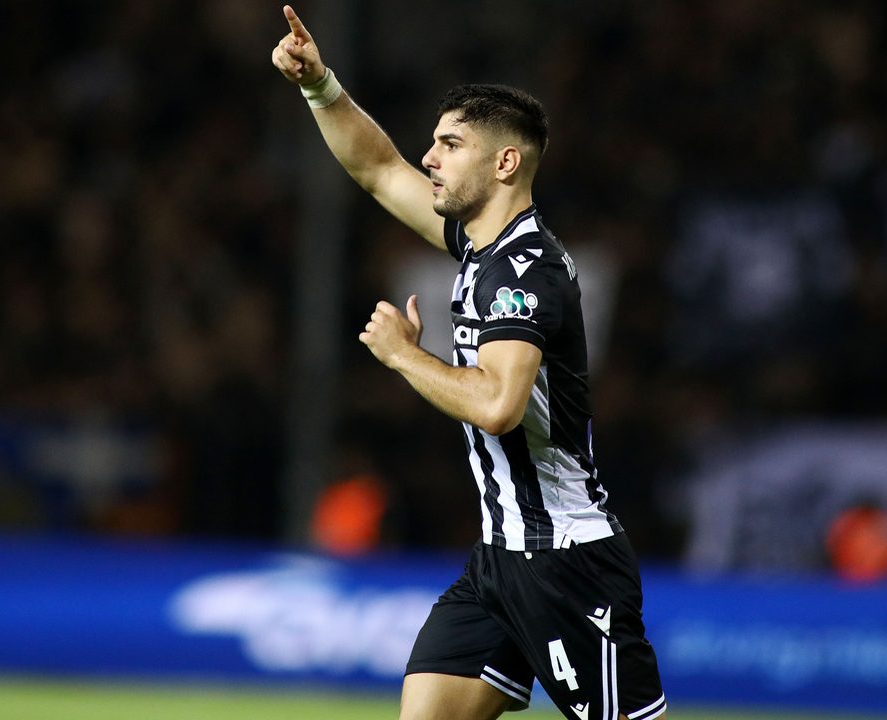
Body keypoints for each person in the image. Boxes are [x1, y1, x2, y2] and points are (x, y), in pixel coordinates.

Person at [271, 7, 665, 720]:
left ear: (504, 162)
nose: (430, 157)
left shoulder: (524, 272)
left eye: (450, 144)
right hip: (498, 560)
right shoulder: (481, 250)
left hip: (566, 562)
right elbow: (378, 169)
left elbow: (497, 405)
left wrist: (403, 356)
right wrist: (320, 85)